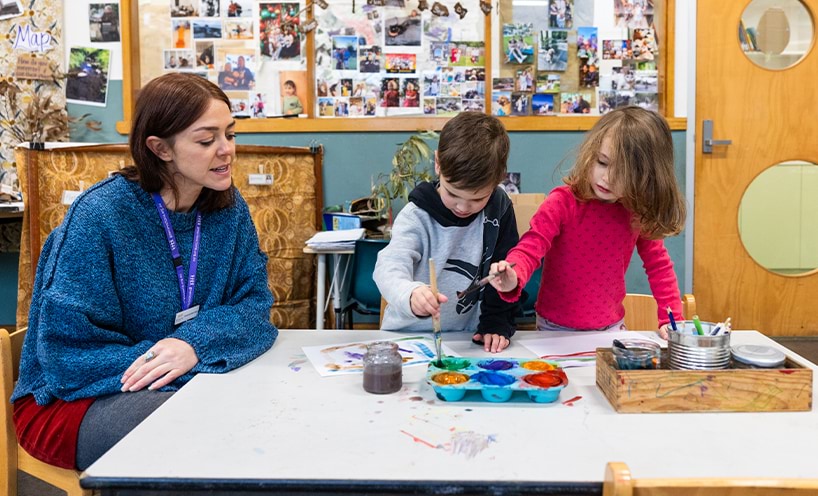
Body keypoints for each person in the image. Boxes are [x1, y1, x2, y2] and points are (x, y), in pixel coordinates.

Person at [10, 73, 278, 471]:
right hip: (70, 401)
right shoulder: (101, 216)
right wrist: (168, 361)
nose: (226, 151)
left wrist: (192, 346)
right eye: (207, 140)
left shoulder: (228, 208)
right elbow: (65, 357)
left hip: (180, 381)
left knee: (259, 416)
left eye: (230, 134)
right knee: (208, 430)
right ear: (160, 148)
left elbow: (255, 304)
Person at [488, 106, 686, 340]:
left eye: (624, 172)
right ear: (592, 153)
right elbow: (531, 246)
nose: (607, 177)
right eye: (602, 162)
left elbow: (659, 266)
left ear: (646, 177)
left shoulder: (636, 211)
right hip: (553, 331)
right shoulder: (562, 202)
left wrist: (671, 319)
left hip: (610, 330)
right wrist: (514, 274)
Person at [374, 112, 520, 353]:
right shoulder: (416, 216)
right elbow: (388, 267)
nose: (463, 207)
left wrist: (496, 323)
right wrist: (410, 294)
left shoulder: (499, 209)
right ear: (438, 163)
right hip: (408, 340)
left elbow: (505, 272)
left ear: (498, 180)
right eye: (452, 193)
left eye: (477, 198)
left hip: (466, 341)